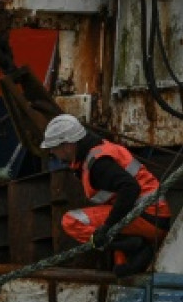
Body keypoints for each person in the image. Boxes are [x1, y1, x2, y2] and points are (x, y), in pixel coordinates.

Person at [40, 114, 171, 276]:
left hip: (150, 218)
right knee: (119, 264)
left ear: (67, 145)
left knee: (71, 221)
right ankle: (129, 255)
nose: (53, 153)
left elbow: (130, 188)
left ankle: (137, 246)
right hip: (154, 215)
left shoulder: (98, 164)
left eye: (54, 148)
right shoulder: (98, 150)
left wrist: (107, 226)